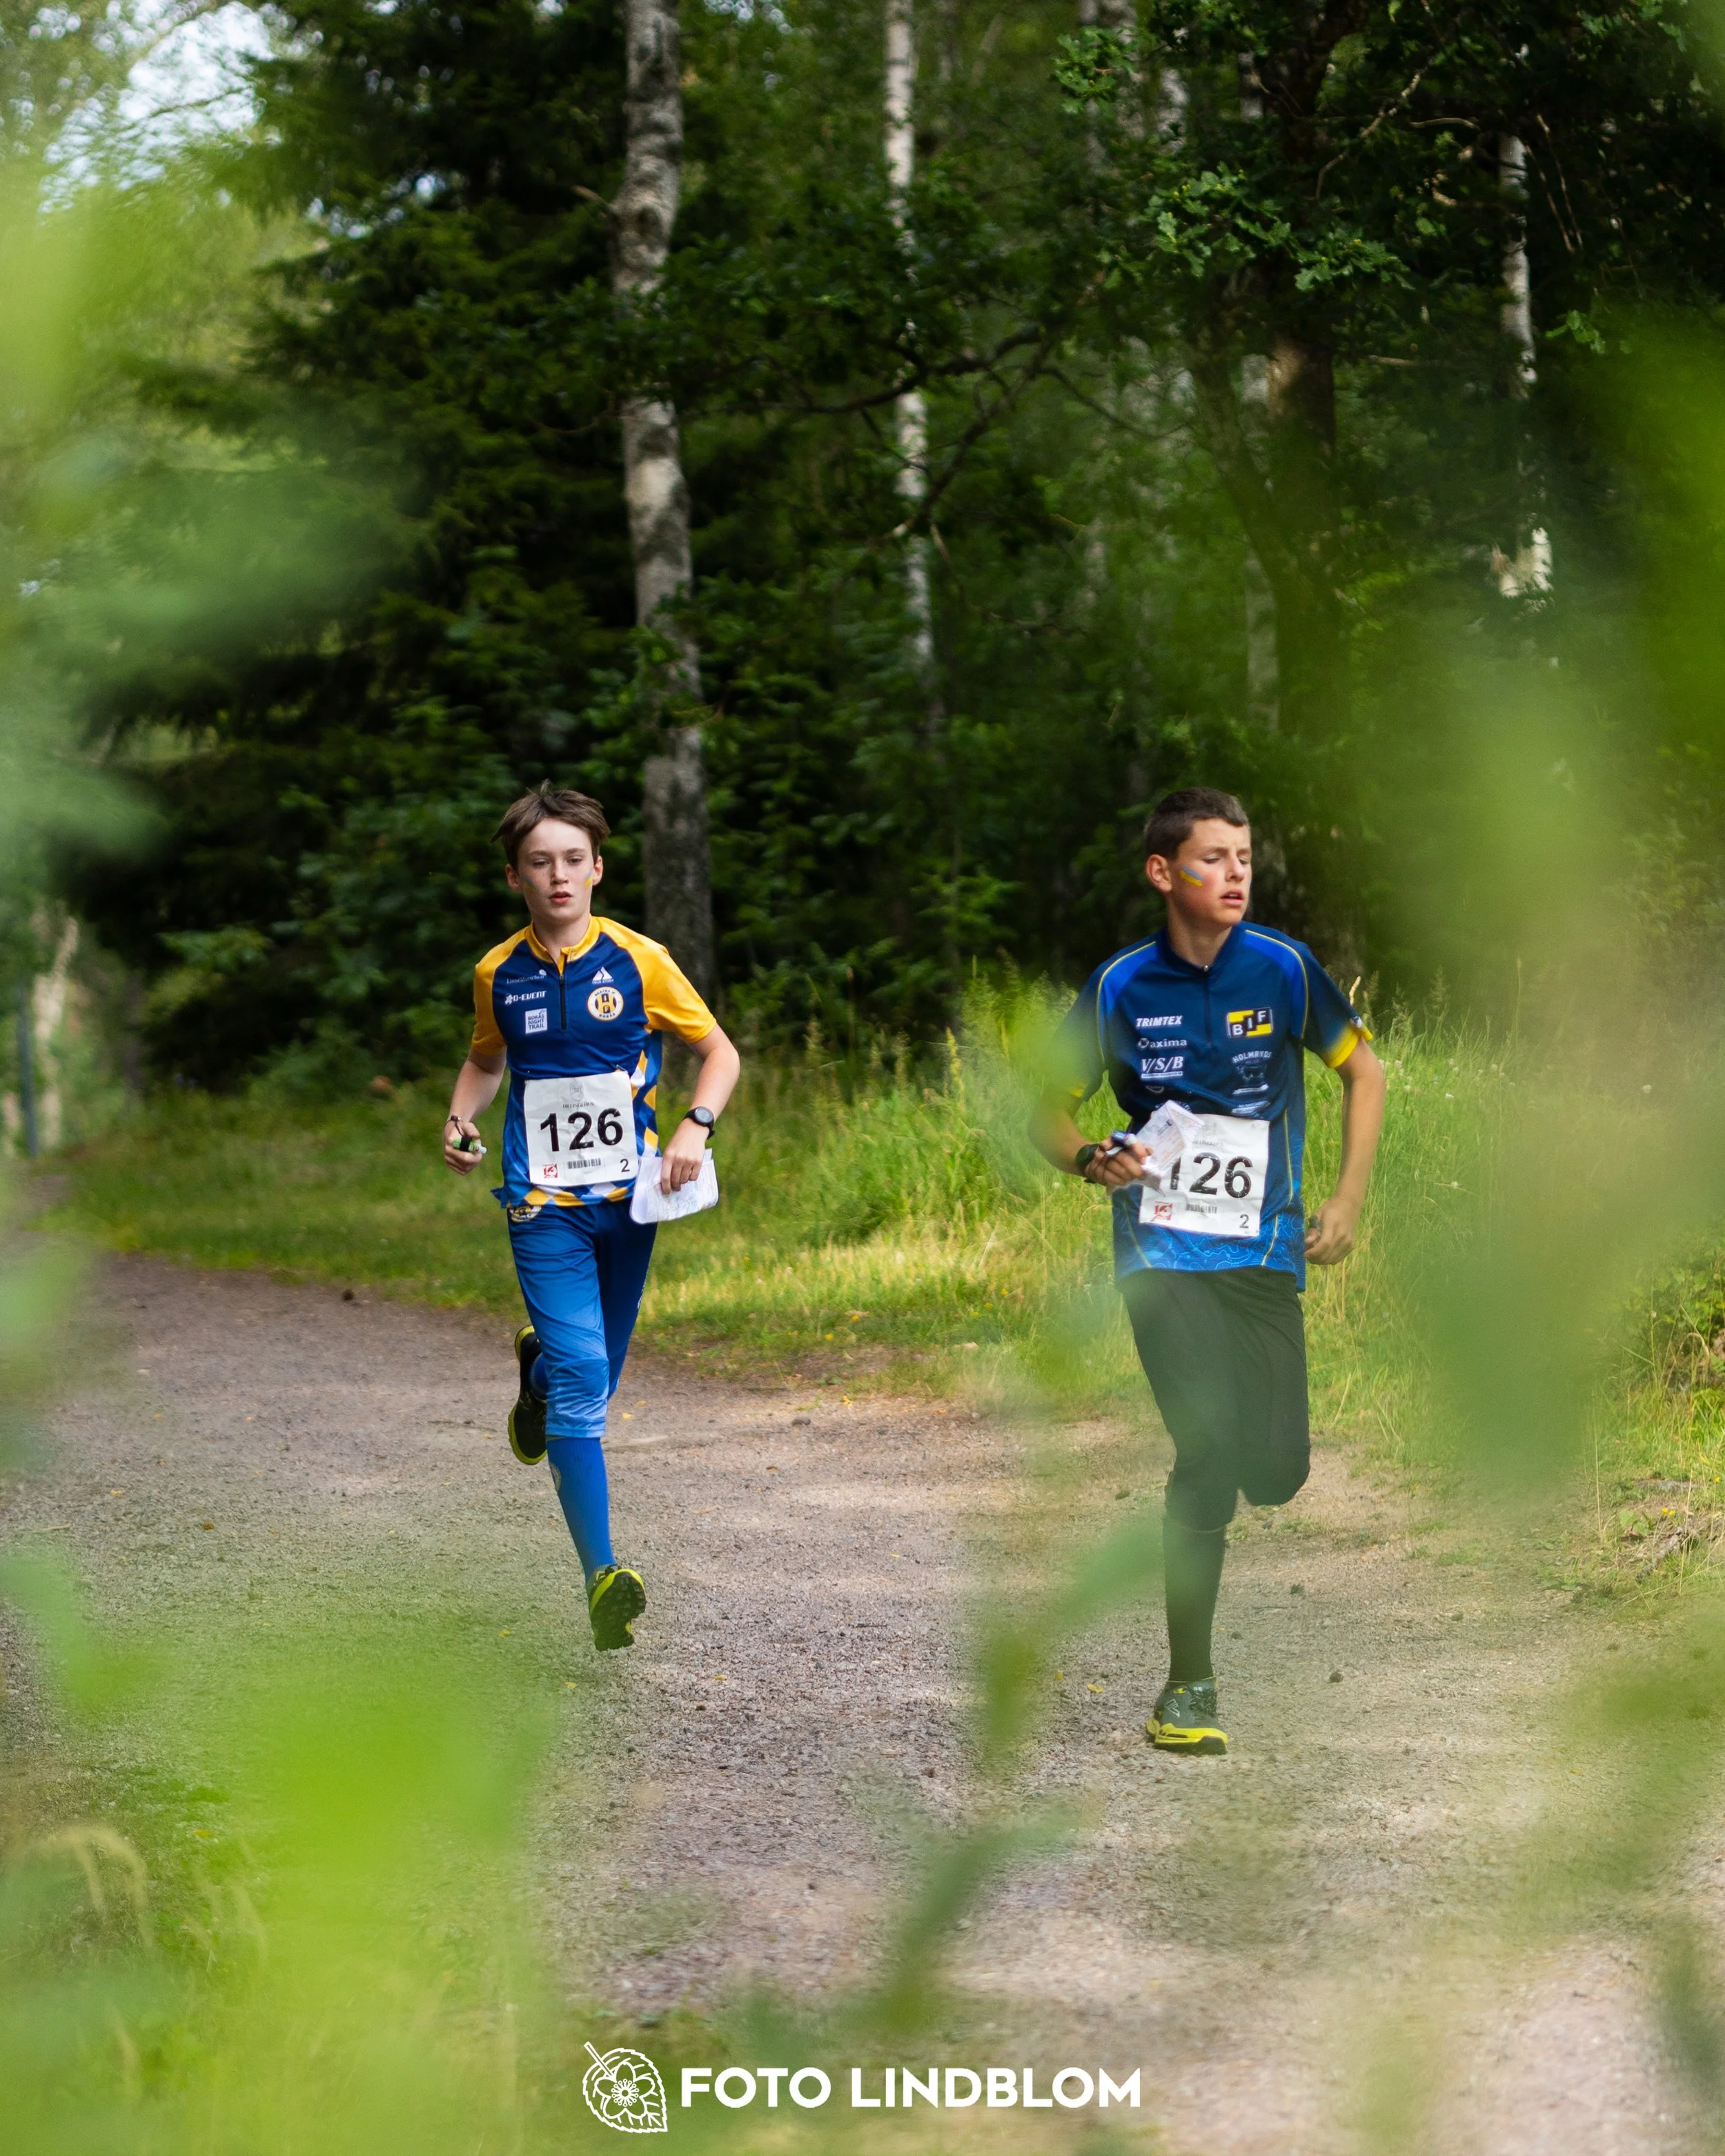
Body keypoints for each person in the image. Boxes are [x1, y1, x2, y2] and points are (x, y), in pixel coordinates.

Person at [1032, 787, 1385, 1754]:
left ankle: (1213, 1589)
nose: (1236, 874)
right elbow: (1047, 1110)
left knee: (1271, 1471)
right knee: (1207, 1442)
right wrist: (1084, 1157)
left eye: (1244, 859)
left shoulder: (1282, 969)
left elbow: (1365, 1072)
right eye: (1215, 858)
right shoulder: (1118, 988)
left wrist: (1346, 1200)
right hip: (1158, 1250)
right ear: (1163, 872)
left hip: (1262, 1251)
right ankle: (1189, 1684)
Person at [444, 784, 740, 1651]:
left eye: (574, 859)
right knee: (587, 1381)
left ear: (598, 867)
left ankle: (535, 1376)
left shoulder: (641, 960)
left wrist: (697, 1121)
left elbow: (718, 1052)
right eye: (541, 862)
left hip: (629, 1201)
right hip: (542, 1205)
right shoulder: (498, 973)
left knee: (588, 1381)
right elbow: (484, 1063)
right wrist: (459, 1120)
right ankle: (603, 1576)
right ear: (516, 876)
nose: (558, 875)